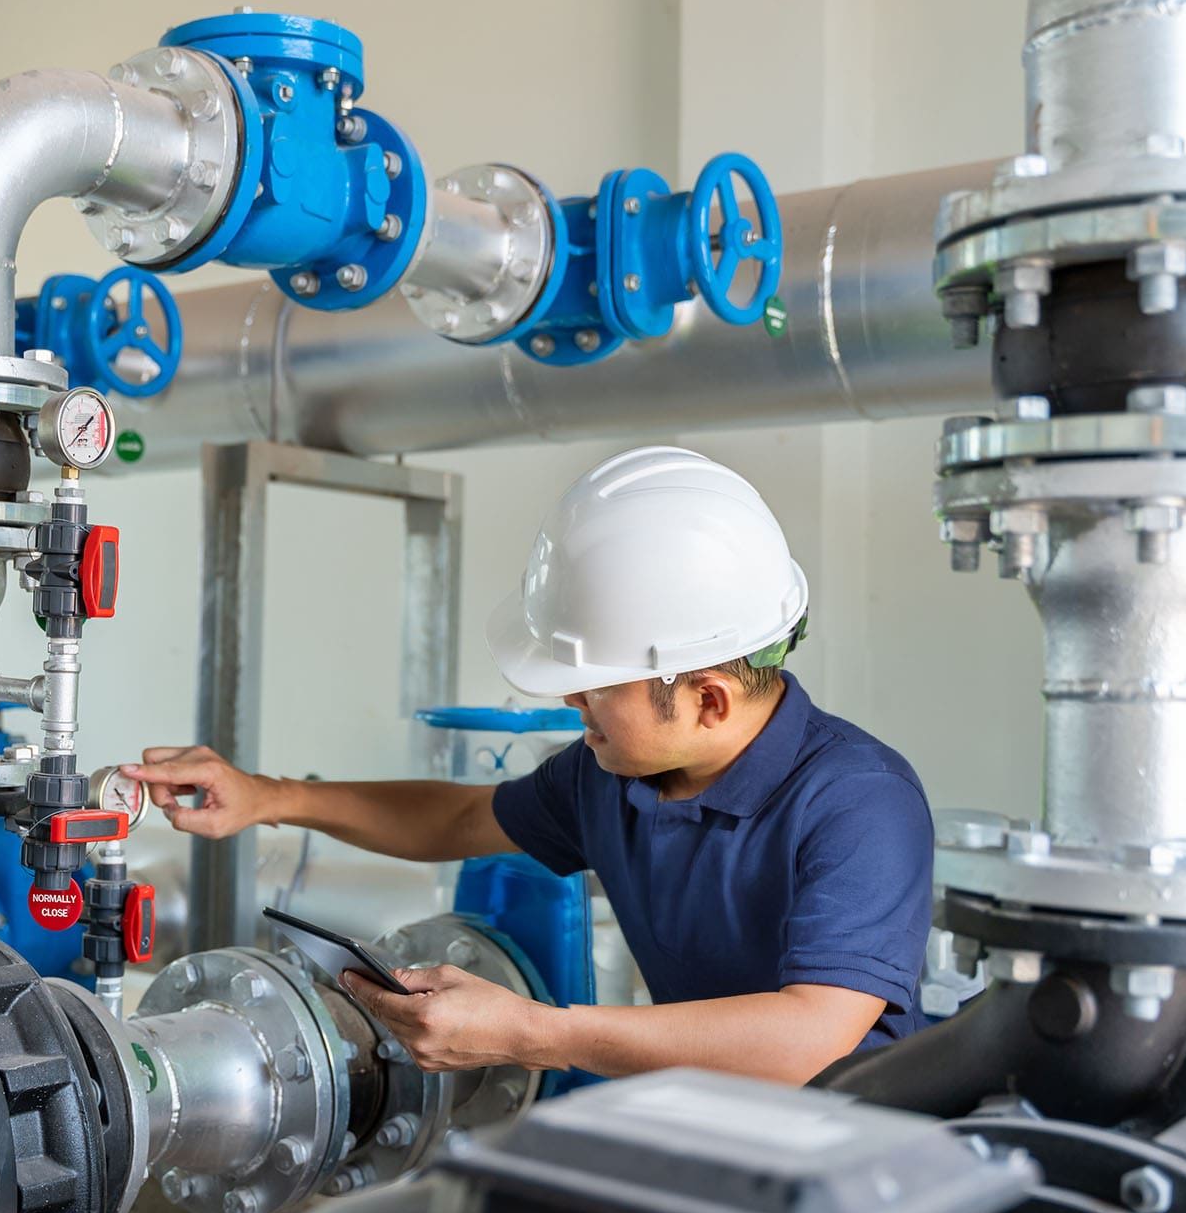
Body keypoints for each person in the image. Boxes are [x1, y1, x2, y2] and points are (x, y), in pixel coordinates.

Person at [126, 446, 933, 1087]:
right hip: (712, 1120)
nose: (573, 699)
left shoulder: (858, 802)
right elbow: (458, 819)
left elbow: (810, 1037)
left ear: (709, 701)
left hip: (860, 1149)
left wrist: (531, 1034)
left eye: (597, 683)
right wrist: (264, 797)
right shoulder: (609, 775)